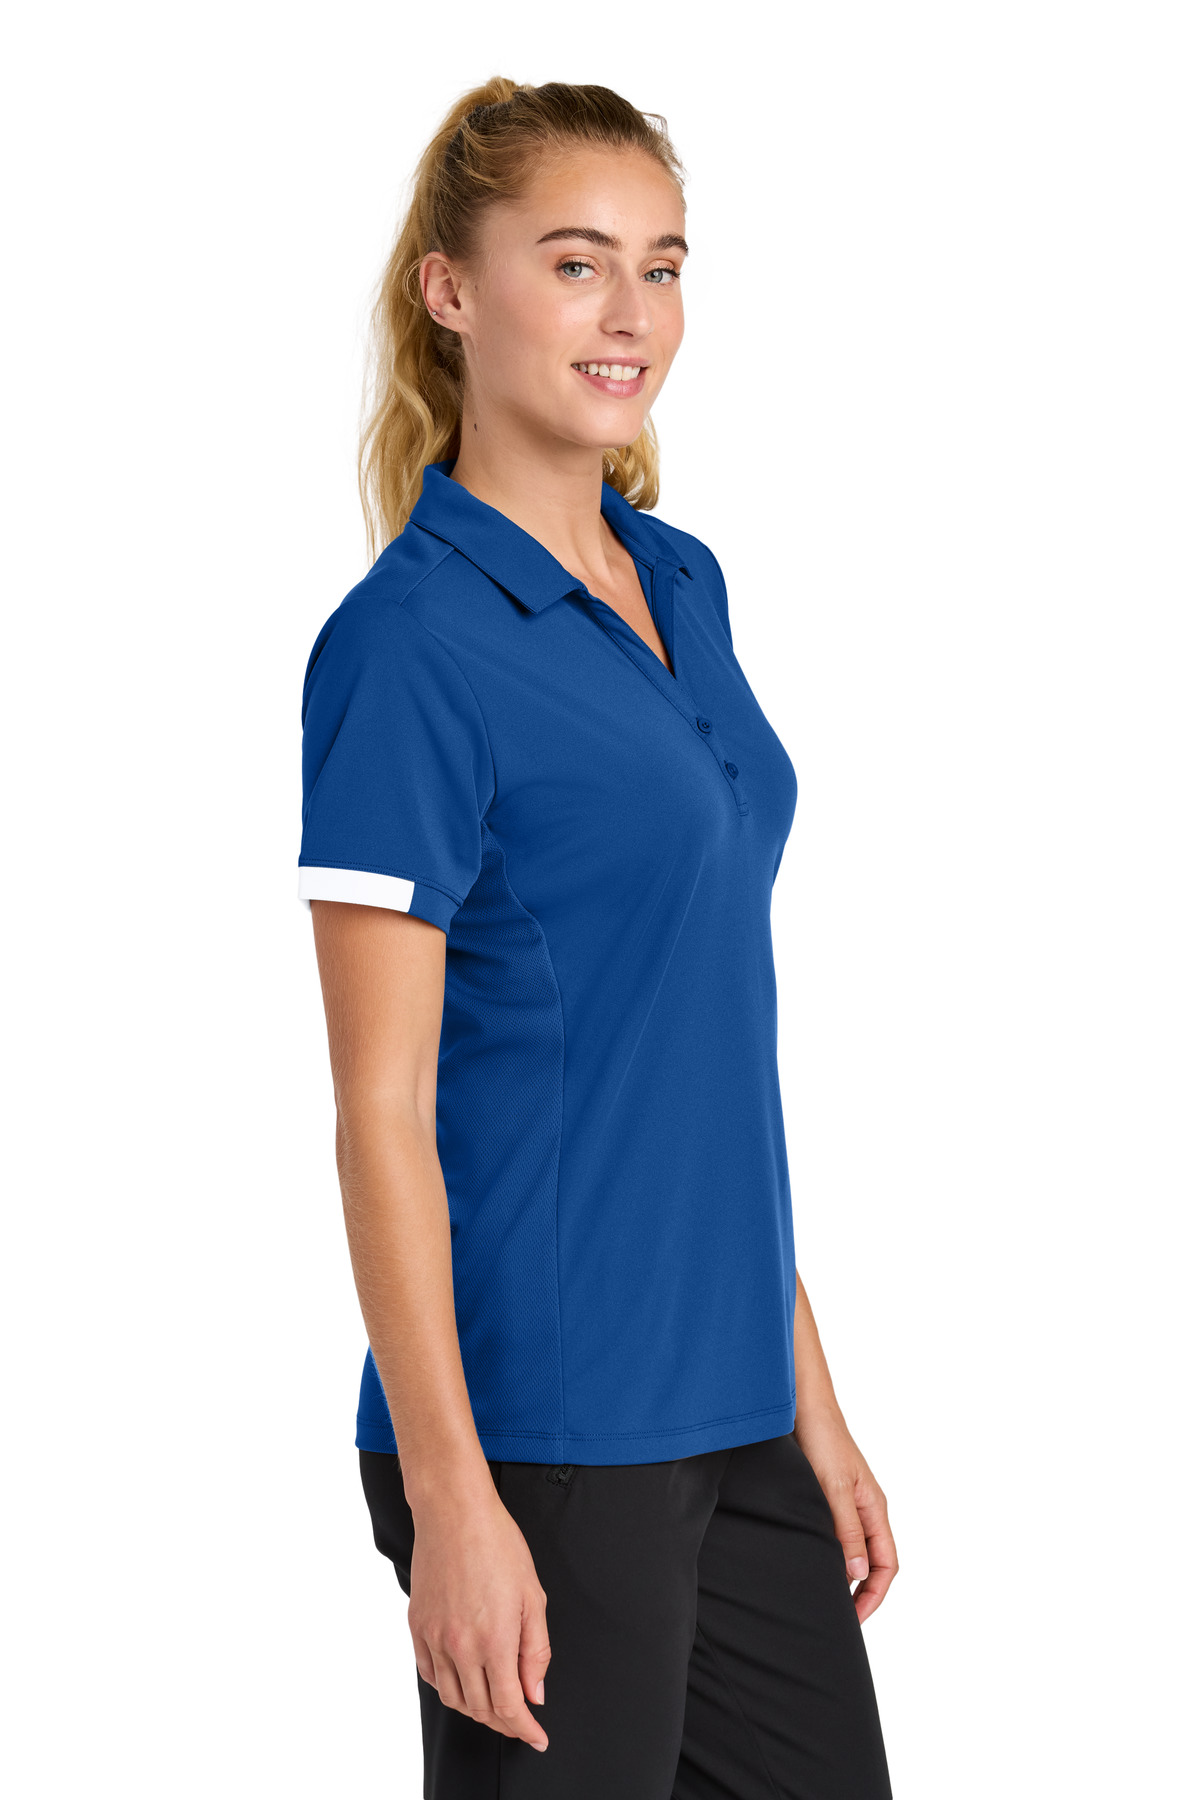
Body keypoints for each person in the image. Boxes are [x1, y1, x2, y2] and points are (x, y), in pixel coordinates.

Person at [297, 77, 896, 1800]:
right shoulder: (407, 649)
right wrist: (451, 1496)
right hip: (541, 1432)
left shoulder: (682, 579)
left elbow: (684, 1052)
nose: (631, 312)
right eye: (575, 263)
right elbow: (380, 1112)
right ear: (450, 290)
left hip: (733, 1405)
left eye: (662, 264)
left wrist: (809, 1397)